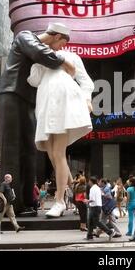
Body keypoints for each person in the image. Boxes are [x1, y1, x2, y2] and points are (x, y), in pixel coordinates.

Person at [0, 22, 76, 216]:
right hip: (11, 94)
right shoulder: (25, 36)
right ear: (57, 37)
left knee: (29, 151)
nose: (61, 49)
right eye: (62, 45)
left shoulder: (39, 52)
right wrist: (64, 62)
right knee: (11, 150)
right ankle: (11, 205)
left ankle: (28, 201)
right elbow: (41, 53)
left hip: (28, 102)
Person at [27, 47, 94, 218]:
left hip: (64, 104)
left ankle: (60, 200)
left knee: (58, 153)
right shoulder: (41, 58)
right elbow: (33, 80)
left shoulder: (71, 56)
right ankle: (74, 191)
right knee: (52, 155)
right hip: (45, 106)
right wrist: (37, 60)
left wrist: (87, 99)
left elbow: (86, 81)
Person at [84, 176, 115, 240]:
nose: (88, 182)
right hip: (97, 206)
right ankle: (89, 235)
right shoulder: (98, 188)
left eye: (89, 181)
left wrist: (87, 201)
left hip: (94, 206)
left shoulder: (92, 188)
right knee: (90, 221)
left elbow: (93, 199)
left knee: (97, 222)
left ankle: (110, 232)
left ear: (91, 181)